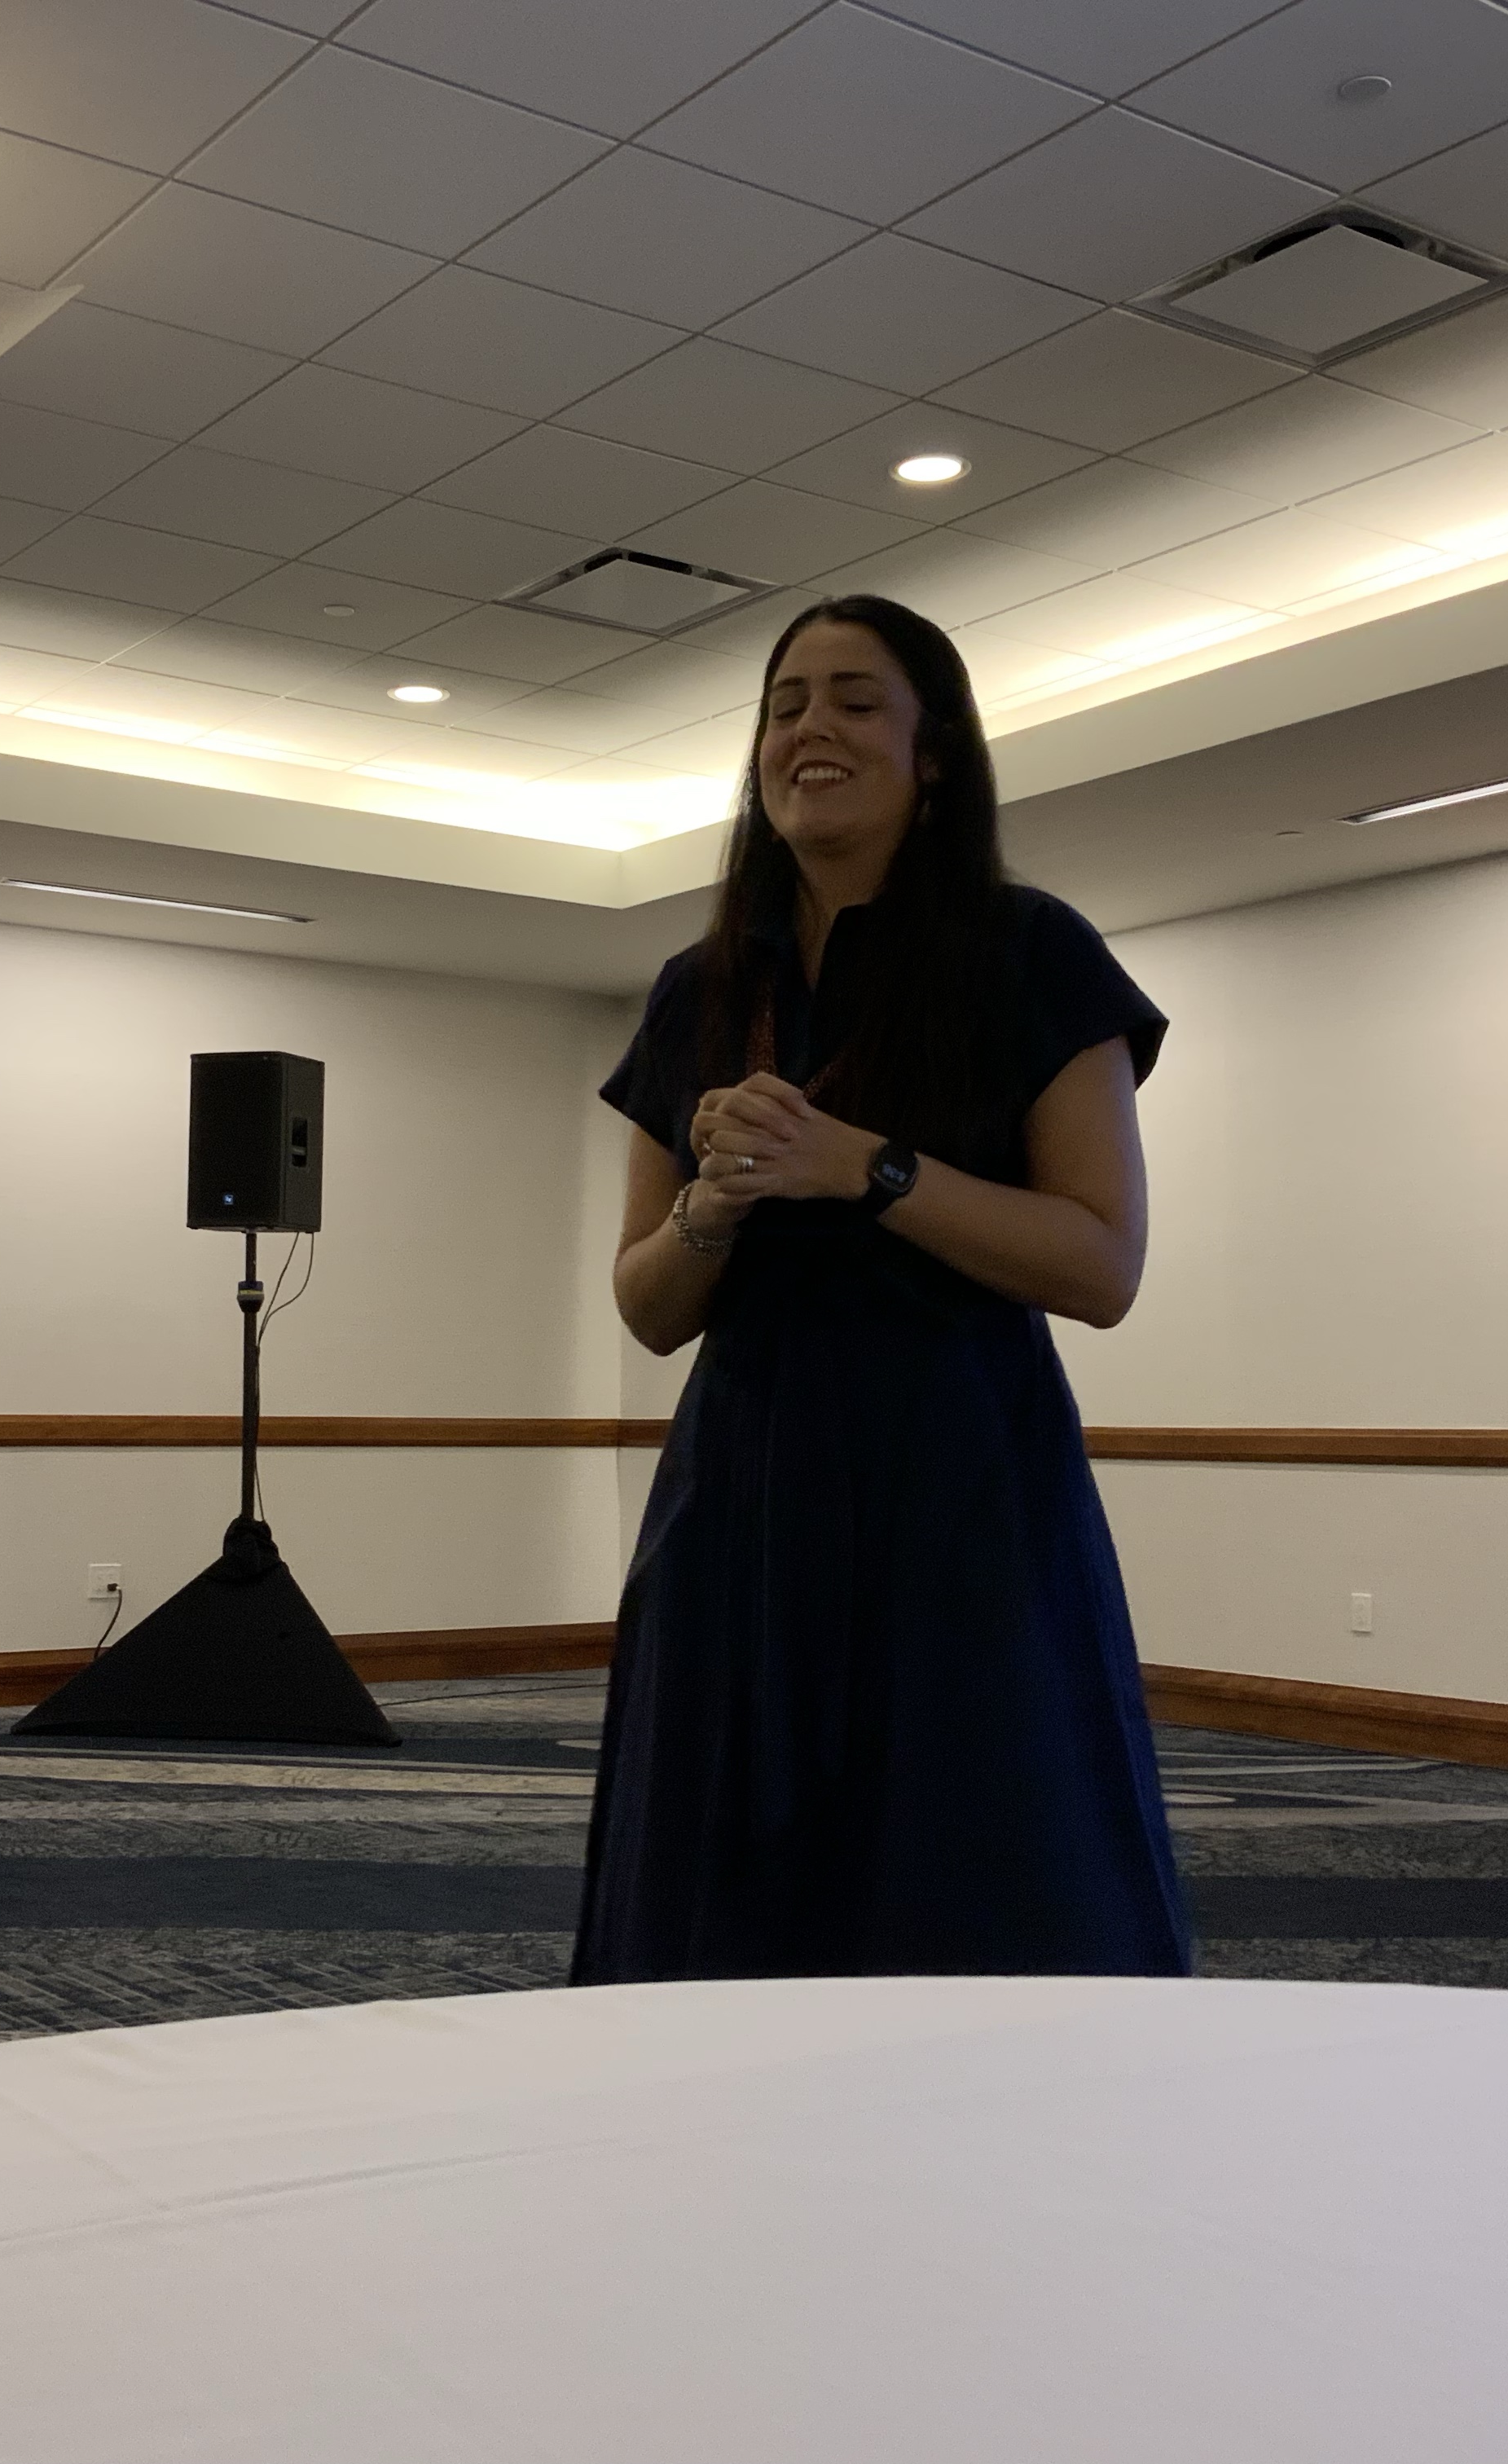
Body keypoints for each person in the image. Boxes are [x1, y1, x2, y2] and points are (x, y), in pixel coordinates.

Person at [574, 594, 1194, 1984]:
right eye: (785, 706)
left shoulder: (1031, 952)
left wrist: (867, 1167)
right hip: (741, 1491)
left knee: (975, 1865)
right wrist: (716, 1203)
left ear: (935, 754)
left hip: (960, 1484)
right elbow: (649, 1307)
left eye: (858, 701)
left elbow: (1102, 1265)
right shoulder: (697, 989)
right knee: (720, 1895)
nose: (813, 730)